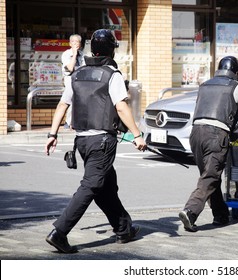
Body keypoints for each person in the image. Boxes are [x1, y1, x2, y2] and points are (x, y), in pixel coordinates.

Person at [45, 29, 147, 253]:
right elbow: (121, 107)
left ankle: (123, 228)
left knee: (106, 186)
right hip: (102, 142)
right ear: (111, 50)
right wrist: (137, 135)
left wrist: (52, 135)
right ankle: (59, 232)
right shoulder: (112, 74)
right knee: (91, 186)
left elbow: (63, 105)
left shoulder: (77, 74)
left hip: (82, 142)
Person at [179, 56, 238, 232]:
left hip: (196, 133)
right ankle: (190, 211)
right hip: (216, 135)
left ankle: (221, 215)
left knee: (209, 177)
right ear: (236, 72)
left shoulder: (205, 85)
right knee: (210, 177)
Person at [61, 34, 86, 129]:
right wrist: (74, 54)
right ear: (70, 43)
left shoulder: (83, 55)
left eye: (77, 42)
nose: (75, 44)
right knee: (71, 100)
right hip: (70, 79)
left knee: (81, 101)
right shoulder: (66, 54)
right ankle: (68, 122)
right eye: (73, 42)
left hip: (81, 80)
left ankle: (77, 122)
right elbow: (70, 68)